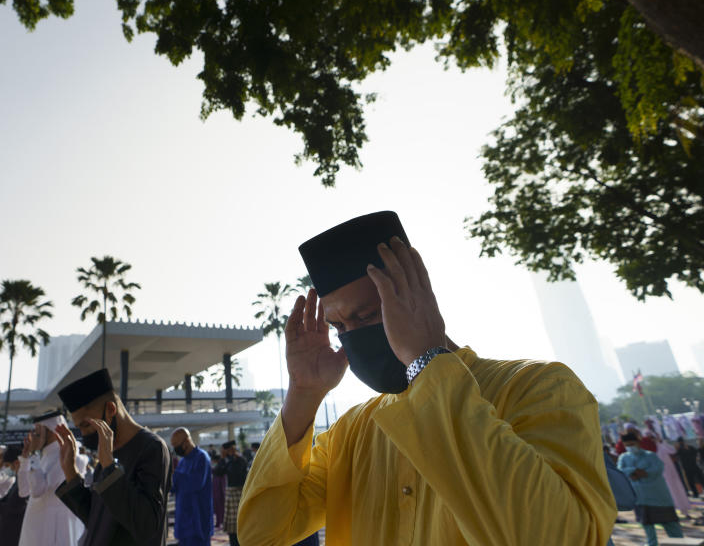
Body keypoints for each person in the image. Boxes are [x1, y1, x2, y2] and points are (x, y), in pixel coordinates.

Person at [237, 211, 617, 545]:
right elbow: (262, 535)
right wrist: (303, 395)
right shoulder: (350, 432)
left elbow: (556, 537)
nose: (352, 336)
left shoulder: (538, 388)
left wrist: (425, 359)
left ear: (417, 298)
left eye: (367, 316)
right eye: (339, 327)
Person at [52, 368, 173, 546]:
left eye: (86, 425)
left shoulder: (151, 448)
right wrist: (70, 471)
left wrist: (109, 467)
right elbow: (96, 519)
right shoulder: (109, 451)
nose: (84, 434)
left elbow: (146, 526)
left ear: (110, 409)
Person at [18, 410, 87, 546]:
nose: (33, 435)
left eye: (38, 431)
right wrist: (26, 459)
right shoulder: (43, 456)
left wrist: (32, 455)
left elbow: (38, 491)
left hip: (53, 530)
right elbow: (23, 491)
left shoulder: (68, 456)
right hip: (36, 526)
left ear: (51, 431)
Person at [617, 432, 684, 546]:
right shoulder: (624, 457)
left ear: (638, 442)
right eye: (627, 445)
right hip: (640, 499)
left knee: (672, 527)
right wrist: (634, 471)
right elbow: (620, 472)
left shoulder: (651, 456)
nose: (630, 447)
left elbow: (657, 469)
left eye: (632, 444)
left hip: (659, 498)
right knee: (648, 530)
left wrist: (639, 473)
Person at [170, 427, 213, 546]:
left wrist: (175, 474)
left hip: (198, 521)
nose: (175, 450)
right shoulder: (182, 462)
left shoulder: (202, 458)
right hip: (183, 521)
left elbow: (195, 484)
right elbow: (174, 486)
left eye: (176, 446)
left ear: (186, 442)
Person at [0, 446, 26, 546]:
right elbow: (8, 501)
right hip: (5, 528)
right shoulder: (18, 480)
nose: (9, 469)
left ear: (16, 463)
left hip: (12, 532)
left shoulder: (25, 483)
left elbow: (15, 508)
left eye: (8, 465)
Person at [213, 440, 247, 546]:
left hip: (239, 493)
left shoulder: (240, 460)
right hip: (231, 494)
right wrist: (223, 459)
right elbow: (217, 472)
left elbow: (236, 473)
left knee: (240, 525)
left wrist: (230, 459)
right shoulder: (227, 460)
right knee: (232, 527)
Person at [211, 454, 226, 529]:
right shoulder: (218, 466)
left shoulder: (219, 467)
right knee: (218, 506)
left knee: (219, 506)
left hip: (218, 490)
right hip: (217, 489)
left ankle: (220, 522)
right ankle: (219, 521)